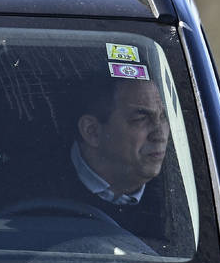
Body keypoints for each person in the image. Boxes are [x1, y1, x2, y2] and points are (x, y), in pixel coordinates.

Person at [65, 74, 172, 247]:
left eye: (164, 117)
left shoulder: (186, 194)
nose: (160, 135)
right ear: (92, 131)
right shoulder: (25, 184)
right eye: (141, 119)